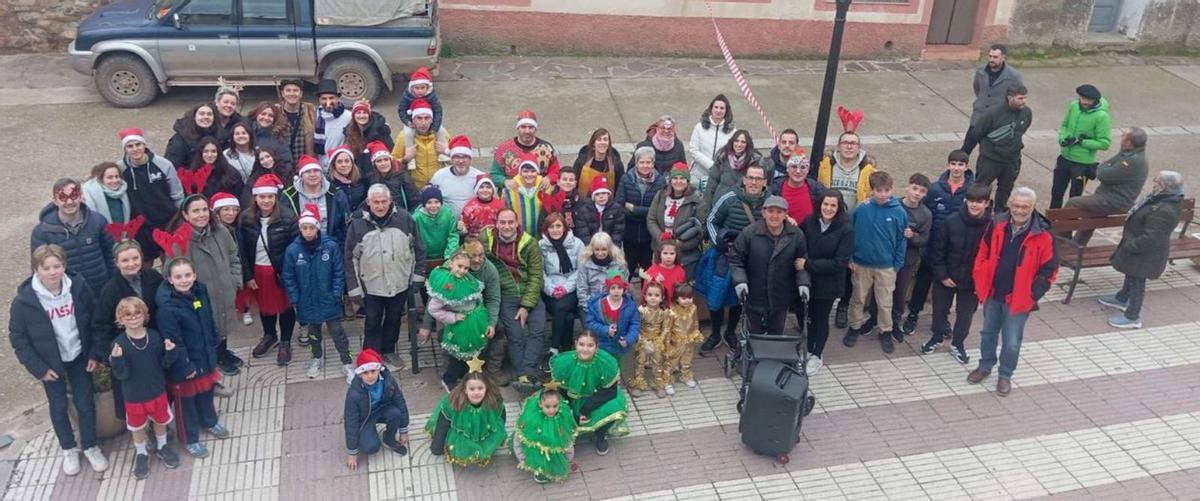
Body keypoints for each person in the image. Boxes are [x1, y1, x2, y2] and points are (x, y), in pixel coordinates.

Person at [9, 244, 109, 475]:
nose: (53, 272)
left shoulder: (79, 287)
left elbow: (94, 320)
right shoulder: (25, 301)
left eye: (58, 266)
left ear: (65, 266)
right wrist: (39, 368)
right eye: (47, 268)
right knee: (58, 406)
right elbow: (19, 338)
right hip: (50, 364)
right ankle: (68, 448)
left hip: (78, 356)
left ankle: (90, 445)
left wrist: (94, 353)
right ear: (36, 270)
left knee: (85, 403)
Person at [969, 187, 1058, 396]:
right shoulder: (997, 223)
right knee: (987, 333)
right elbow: (983, 250)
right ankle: (985, 366)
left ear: (1033, 207)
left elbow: (1050, 270)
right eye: (1016, 205)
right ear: (1010, 204)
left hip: (1018, 299)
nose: (1019, 210)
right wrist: (980, 275)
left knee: (1011, 340)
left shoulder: (1044, 234)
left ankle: (1005, 374)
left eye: (1025, 207)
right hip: (993, 292)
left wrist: (1032, 295)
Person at [156, 257, 231, 458]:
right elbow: (173, 340)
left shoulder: (200, 290)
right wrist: (185, 365)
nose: (184, 280)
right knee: (185, 403)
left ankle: (209, 421)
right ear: (170, 280)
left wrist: (214, 338)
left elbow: (208, 316)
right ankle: (189, 438)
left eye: (188, 275)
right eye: (178, 277)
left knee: (206, 391)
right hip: (185, 363)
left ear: (195, 275)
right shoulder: (167, 307)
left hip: (204, 354)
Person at [345, 184, 425, 366]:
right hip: (371, 285)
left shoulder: (405, 219)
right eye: (376, 202)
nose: (380, 206)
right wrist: (354, 289)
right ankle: (370, 356)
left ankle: (389, 350)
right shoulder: (357, 224)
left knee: (394, 318)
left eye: (384, 202)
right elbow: (350, 259)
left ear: (390, 201)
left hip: (399, 282)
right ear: (368, 202)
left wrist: (417, 278)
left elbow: (419, 250)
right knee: (372, 320)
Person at [1101, 171, 1186, 329]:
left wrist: (1130, 245)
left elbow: (1152, 238)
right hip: (1141, 251)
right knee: (1131, 273)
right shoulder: (1163, 199)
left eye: (1157, 182)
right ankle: (1121, 298)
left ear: (1164, 187)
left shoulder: (1164, 209)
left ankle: (1133, 316)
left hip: (1145, 254)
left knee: (1137, 281)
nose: (1154, 183)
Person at [108, 297, 181, 479]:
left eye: (137, 313)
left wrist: (171, 352)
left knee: (160, 420)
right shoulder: (119, 344)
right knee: (137, 427)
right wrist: (116, 359)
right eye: (128, 315)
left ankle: (162, 445)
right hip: (134, 396)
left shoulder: (154, 336)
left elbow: (163, 364)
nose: (133, 318)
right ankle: (141, 452)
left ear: (145, 315)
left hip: (157, 391)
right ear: (120, 319)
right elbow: (121, 375)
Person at [701, 164, 769, 355]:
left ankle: (730, 332)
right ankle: (715, 333)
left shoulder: (770, 201)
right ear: (745, 179)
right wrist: (719, 244)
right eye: (751, 178)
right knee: (716, 296)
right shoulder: (729, 197)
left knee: (739, 298)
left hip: (751, 259)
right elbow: (711, 220)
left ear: (765, 182)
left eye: (758, 178)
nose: (754, 182)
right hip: (725, 255)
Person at [904, 151, 975, 334]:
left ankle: (942, 320)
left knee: (946, 287)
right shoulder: (935, 189)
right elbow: (924, 214)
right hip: (932, 245)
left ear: (966, 167)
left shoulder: (972, 191)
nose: (957, 168)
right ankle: (913, 314)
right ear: (948, 165)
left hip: (955, 250)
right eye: (953, 163)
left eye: (961, 164)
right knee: (922, 281)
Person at [922, 184, 993, 364]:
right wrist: (943, 275)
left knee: (965, 315)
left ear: (987, 203)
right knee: (939, 310)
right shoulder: (951, 221)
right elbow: (938, 250)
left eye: (979, 202)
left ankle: (958, 344)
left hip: (972, 282)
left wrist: (981, 281)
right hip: (946, 277)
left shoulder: (993, 227)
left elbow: (992, 257)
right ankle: (937, 337)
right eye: (971, 201)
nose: (974, 205)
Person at [174, 195, 244, 377]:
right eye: (195, 211)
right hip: (200, 296)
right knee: (208, 325)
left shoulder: (220, 231)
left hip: (224, 289)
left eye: (204, 209)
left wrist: (235, 280)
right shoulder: (181, 239)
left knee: (223, 322)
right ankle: (216, 357)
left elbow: (234, 255)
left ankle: (223, 351)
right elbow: (174, 270)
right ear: (185, 214)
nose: (201, 215)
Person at [93, 240, 165, 416]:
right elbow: (101, 325)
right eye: (125, 260)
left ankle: (160, 420)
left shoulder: (153, 277)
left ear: (141, 258)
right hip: (128, 349)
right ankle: (142, 426)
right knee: (135, 392)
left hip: (154, 342)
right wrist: (108, 354)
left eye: (135, 258)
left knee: (158, 385)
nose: (131, 263)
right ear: (116, 263)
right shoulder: (110, 291)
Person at [418, 239, 504, 384]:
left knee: (498, 330)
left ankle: (491, 369)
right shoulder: (452, 268)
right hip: (449, 311)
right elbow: (434, 300)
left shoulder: (489, 269)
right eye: (473, 256)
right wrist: (426, 325)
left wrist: (492, 322)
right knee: (447, 336)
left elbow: (494, 298)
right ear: (464, 255)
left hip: (476, 312)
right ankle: (451, 372)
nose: (477, 260)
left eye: (481, 255)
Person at [283, 207, 354, 381]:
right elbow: (289, 276)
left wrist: (337, 293)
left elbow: (339, 271)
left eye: (311, 228)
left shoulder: (329, 247)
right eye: (304, 228)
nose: (308, 232)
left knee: (338, 332)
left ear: (317, 228)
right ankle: (316, 357)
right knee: (314, 334)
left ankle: (347, 362)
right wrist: (295, 298)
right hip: (307, 301)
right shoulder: (293, 250)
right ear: (300, 229)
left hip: (328, 299)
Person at [480, 209, 545, 393]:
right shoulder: (486, 239)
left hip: (529, 293)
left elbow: (535, 276)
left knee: (537, 331)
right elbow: (470, 255)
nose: (507, 226)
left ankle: (524, 374)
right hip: (506, 294)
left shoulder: (530, 243)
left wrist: (526, 305)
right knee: (515, 334)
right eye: (503, 222)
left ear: (517, 223)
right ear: (496, 223)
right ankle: (527, 376)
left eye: (510, 222)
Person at [843, 172, 908, 353]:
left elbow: (902, 239)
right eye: (879, 191)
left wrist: (897, 264)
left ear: (892, 189)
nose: (883, 194)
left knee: (885, 301)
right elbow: (850, 233)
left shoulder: (899, 212)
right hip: (861, 264)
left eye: (887, 190)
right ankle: (854, 326)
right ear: (872, 190)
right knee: (858, 299)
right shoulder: (861, 209)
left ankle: (885, 331)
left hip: (886, 267)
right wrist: (850, 258)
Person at [238, 175, 300, 365]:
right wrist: (248, 275)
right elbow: (242, 251)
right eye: (262, 197)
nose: (266, 201)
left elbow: (295, 249)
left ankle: (285, 342)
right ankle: (269, 335)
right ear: (255, 198)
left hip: (280, 272)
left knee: (286, 308)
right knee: (265, 307)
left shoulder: (288, 217)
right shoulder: (246, 219)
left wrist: (290, 274)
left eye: (270, 197)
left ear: (275, 197)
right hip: (258, 271)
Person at [730, 195, 811, 336]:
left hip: (781, 295)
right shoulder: (749, 233)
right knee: (754, 333)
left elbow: (802, 261)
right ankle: (753, 355)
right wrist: (740, 281)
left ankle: (773, 356)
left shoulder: (796, 235)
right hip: (754, 294)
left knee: (776, 333)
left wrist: (803, 283)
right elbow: (736, 259)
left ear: (786, 214)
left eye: (779, 212)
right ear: (763, 213)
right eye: (771, 211)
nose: (775, 216)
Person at [866, 173, 931, 345]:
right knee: (879, 291)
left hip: (907, 261)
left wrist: (913, 236)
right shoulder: (892, 204)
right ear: (907, 186)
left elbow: (924, 240)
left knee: (899, 292)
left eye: (922, 191)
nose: (917, 193)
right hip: (885, 257)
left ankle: (894, 323)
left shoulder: (925, 214)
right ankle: (873, 318)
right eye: (915, 188)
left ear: (925, 194)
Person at [1064, 128, 1150, 245]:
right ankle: (1077, 245)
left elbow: (1102, 174)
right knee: (1091, 215)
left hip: (1113, 201)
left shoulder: (1132, 160)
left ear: (1129, 143)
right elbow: (1107, 166)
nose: (1121, 140)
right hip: (1108, 198)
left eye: (1123, 137)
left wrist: (1104, 166)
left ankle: (1062, 240)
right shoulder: (1129, 154)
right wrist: (1107, 165)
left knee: (1073, 203)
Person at [549, 330, 629, 456]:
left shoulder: (606, 363)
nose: (585, 349)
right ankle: (569, 434)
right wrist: (572, 412)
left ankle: (600, 435)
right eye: (581, 344)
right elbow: (561, 391)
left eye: (590, 345)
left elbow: (610, 392)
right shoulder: (564, 363)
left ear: (597, 347)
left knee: (615, 406)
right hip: (571, 400)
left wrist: (585, 410)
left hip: (596, 399)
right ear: (575, 344)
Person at [801, 191, 854, 375]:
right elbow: (798, 240)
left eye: (833, 205)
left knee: (821, 319)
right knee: (807, 317)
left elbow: (839, 263)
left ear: (839, 208)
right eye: (825, 204)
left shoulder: (846, 229)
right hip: (808, 281)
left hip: (829, 284)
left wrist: (808, 264)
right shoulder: (809, 221)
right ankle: (807, 349)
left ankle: (816, 354)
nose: (828, 209)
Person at [32, 178, 117, 289]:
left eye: (74, 195)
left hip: (101, 289)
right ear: (55, 200)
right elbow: (38, 267)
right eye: (63, 197)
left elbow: (111, 256)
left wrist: (113, 284)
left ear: (81, 196)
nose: (69, 202)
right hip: (68, 295)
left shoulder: (98, 221)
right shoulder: (42, 232)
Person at [117, 127, 185, 264]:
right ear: (125, 149)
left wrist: (180, 218)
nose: (135, 149)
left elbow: (177, 193)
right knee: (144, 263)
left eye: (138, 144)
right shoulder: (120, 169)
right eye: (130, 146)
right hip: (140, 226)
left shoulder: (163, 164)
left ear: (144, 145)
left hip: (166, 221)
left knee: (170, 260)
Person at [425, 252, 491, 389]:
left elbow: (475, 297)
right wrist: (452, 317)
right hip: (460, 324)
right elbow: (433, 309)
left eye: (466, 268)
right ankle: (449, 379)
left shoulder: (468, 280)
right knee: (458, 354)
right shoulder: (444, 284)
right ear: (451, 264)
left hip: (474, 321)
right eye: (459, 266)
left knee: (471, 350)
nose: (462, 270)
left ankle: (466, 376)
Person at [962, 84, 1031, 210]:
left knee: (1005, 190)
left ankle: (999, 215)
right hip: (990, 160)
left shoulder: (1026, 113)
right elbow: (977, 133)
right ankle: (977, 214)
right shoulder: (992, 114)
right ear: (1010, 98)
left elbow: (1022, 130)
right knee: (980, 190)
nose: (1024, 101)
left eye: (1025, 98)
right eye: (1020, 98)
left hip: (1012, 160)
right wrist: (964, 154)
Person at [427, 365, 507, 467]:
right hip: (462, 435)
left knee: (489, 440)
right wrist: (437, 448)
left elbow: (501, 416)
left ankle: (483, 446)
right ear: (465, 389)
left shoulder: (494, 400)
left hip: (484, 431)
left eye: (480, 388)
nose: (476, 392)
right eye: (472, 389)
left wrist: (500, 435)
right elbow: (442, 425)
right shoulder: (454, 403)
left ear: (487, 388)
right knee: (462, 445)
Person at [343, 349, 409, 471]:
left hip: (382, 409)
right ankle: (368, 434)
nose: (370, 376)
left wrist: (403, 430)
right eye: (365, 372)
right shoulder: (354, 393)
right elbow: (350, 421)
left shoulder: (389, 381)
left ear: (380, 369)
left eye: (373, 371)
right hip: (365, 418)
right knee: (371, 447)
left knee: (396, 413)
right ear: (359, 374)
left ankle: (389, 438)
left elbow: (400, 402)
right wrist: (352, 452)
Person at [1051, 84, 1112, 209]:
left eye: (1089, 100)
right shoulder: (1074, 106)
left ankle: (1068, 225)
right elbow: (1065, 125)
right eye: (1082, 98)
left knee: (1075, 198)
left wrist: (1081, 142)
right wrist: (1063, 138)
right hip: (1065, 158)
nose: (1085, 102)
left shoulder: (1102, 117)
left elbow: (1104, 143)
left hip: (1082, 164)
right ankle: (1051, 222)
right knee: (1056, 192)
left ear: (1095, 100)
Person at [647, 162, 706, 279]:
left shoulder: (697, 201)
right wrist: (660, 237)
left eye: (682, 178)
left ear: (687, 181)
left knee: (680, 291)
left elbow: (700, 230)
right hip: (661, 251)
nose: (678, 181)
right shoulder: (661, 195)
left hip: (684, 256)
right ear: (670, 180)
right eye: (675, 178)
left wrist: (680, 244)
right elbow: (651, 219)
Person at [617, 146, 667, 274]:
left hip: (648, 234)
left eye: (648, 162)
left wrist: (633, 209)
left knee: (647, 269)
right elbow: (619, 204)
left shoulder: (660, 182)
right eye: (642, 162)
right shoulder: (626, 179)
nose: (645, 165)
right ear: (636, 162)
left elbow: (657, 210)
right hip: (629, 232)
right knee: (628, 267)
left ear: (653, 163)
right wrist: (646, 211)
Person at [539, 214, 584, 354]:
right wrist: (551, 289)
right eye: (551, 227)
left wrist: (566, 288)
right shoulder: (541, 245)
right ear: (546, 229)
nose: (555, 230)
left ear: (565, 227)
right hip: (550, 289)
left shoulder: (577, 243)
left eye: (558, 226)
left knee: (562, 307)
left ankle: (554, 348)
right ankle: (566, 350)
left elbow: (581, 270)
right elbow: (539, 272)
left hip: (572, 288)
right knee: (567, 316)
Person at [513, 385, 576, 483]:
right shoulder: (532, 418)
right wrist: (522, 457)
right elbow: (519, 438)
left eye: (555, 406)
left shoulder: (562, 417)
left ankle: (553, 466)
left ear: (559, 404)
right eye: (547, 406)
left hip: (554, 456)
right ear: (540, 404)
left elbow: (567, 440)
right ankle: (540, 469)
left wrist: (568, 459)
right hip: (537, 456)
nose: (551, 410)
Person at [284, 155, 351, 244]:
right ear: (301, 175)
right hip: (299, 248)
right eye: (308, 171)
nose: (313, 174)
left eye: (316, 171)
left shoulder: (336, 193)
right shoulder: (290, 196)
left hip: (332, 247)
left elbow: (345, 224)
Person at [491, 110, 561, 186]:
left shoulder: (547, 148)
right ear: (518, 128)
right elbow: (494, 174)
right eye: (523, 127)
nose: (527, 131)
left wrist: (549, 178)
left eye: (531, 127)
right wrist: (505, 181)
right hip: (512, 195)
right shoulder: (504, 149)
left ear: (535, 129)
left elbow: (556, 171)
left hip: (540, 195)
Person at [967, 44, 1024, 139]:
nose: (991, 60)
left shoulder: (1013, 76)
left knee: (988, 150)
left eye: (995, 57)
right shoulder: (981, 72)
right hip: (979, 116)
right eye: (990, 56)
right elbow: (977, 89)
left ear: (1003, 57)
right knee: (966, 146)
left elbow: (1018, 95)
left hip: (997, 120)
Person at [391, 98, 449, 189]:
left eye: (427, 118)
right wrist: (406, 159)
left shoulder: (442, 134)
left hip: (439, 186)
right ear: (413, 120)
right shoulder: (404, 137)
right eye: (419, 118)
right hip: (415, 188)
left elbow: (458, 161)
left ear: (432, 119)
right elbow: (392, 165)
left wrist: (447, 151)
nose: (423, 122)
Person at [817, 130, 877, 213]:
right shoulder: (825, 167)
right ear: (838, 146)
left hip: (856, 221)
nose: (849, 147)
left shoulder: (869, 171)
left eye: (853, 143)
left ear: (859, 147)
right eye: (845, 143)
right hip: (830, 219)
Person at [628, 282, 669, 398]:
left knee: (657, 363)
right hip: (642, 340)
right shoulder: (641, 310)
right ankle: (638, 384)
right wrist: (641, 339)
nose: (653, 298)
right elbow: (636, 325)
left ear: (662, 298)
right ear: (645, 296)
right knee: (640, 362)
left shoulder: (663, 312)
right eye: (650, 295)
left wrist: (659, 340)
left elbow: (665, 328)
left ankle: (658, 383)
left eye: (657, 295)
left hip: (657, 340)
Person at [584, 271, 639, 358]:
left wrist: (629, 339)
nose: (616, 291)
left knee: (618, 368)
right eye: (613, 288)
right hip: (602, 346)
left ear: (624, 289)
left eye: (619, 288)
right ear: (608, 289)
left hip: (621, 347)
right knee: (604, 369)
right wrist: (606, 330)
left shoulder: (630, 305)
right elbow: (590, 323)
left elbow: (634, 324)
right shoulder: (598, 305)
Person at [429, 135, 485, 216]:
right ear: (451, 159)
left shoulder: (480, 177)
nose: (461, 161)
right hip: (447, 225)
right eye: (457, 157)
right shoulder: (439, 176)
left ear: (470, 159)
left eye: (465, 157)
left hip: (474, 225)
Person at [413, 185, 460, 282]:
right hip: (425, 257)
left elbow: (453, 234)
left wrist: (449, 256)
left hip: (444, 255)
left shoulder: (447, 213)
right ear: (424, 204)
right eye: (429, 203)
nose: (433, 206)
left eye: (437, 202)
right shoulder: (416, 218)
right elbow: (414, 240)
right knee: (426, 285)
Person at [688, 94, 735, 190]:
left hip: (719, 177)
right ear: (711, 109)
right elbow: (694, 150)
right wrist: (711, 166)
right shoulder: (699, 127)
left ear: (726, 111)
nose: (718, 110)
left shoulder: (733, 132)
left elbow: (732, 154)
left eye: (722, 108)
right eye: (716, 107)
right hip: (698, 175)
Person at [576, 231, 629, 315]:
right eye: (597, 249)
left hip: (615, 302)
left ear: (609, 248)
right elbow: (582, 290)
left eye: (604, 249)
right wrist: (592, 308)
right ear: (592, 249)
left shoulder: (619, 263)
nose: (600, 253)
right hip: (591, 305)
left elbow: (625, 287)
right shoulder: (584, 263)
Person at [705, 129, 763, 201]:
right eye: (736, 141)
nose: (739, 144)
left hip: (741, 204)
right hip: (720, 202)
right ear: (732, 142)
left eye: (743, 142)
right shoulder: (722, 158)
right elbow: (711, 183)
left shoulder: (754, 162)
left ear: (747, 144)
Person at [663, 283, 703, 389]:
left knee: (687, 359)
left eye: (690, 297)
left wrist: (696, 333)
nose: (688, 300)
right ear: (677, 299)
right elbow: (667, 329)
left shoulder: (693, 308)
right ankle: (667, 380)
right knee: (672, 361)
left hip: (689, 340)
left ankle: (685, 376)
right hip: (675, 342)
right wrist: (666, 344)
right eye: (684, 298)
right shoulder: (672, 312)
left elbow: (695, 322)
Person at [364, 140, 420, 212]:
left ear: (390, 161)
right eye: (379, 161)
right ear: (374, 164)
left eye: (386, 159)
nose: (383, 163)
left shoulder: (402, 176)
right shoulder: (371, 180)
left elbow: (415, 201)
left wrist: (408, 218)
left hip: (401, 217)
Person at [769, 155, 825, 227]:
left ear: (807, 171)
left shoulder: (817, 189)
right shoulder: (775, 188)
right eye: (794, 167)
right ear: (787, 169)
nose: (798, 171)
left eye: (802, 167)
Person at [503, 155, 550, 237]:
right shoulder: (509, 190)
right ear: (520, 172)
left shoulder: (545, 188)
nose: (529, 174)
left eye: (533, 171)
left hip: (541, 237)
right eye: (525, 171)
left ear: (537, 172)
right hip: (518, 237)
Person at [164, 103, 222, 168]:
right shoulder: (180, 139)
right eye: (202, 114)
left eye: (209, 114)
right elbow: (172, 166)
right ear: (194, 117)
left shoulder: (218, 135)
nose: (206, 117)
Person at [573, 128, 625, 200]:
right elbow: (573, 183)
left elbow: (621, 188)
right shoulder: (581, 161)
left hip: (608, 206)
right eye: (599, 139)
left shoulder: (616, 164)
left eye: (605, 139)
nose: (602, 142)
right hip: (583, 205)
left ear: (609, 144)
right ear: (593, 143)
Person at [344, 100, 394, 175]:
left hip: (379, 171)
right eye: (358, 113)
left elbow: (390, 150)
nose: (361, 116)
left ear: (369, 115)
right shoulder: (350, 132)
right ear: (354, 116)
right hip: (360, 172)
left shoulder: (380, 130)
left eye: (365, 113)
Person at [573, 177, 625, 245]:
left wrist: (612, 247)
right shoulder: (583, 210)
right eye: (597, 194)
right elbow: (583, 233)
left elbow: (618, 231)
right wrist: (591, 248)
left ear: (608, 195)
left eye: (604, 193)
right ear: (593, 197)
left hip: (610, 245)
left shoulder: (617, 209)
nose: (601, 196)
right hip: (591, 245)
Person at [277, 79, 316, 161]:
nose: (292, 93)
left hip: (303, 163)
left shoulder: (310, 111)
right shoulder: (276, 112)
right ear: (282, 93)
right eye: (288, 90)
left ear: (301, 94)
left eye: (295, 90)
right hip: (283, 165)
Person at [248, 101, 295, 168]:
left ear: (274, 119)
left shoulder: (279, 138)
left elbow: (287, 162)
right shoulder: (246, 130)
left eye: (270, 116)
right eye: (263, 114)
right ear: (256, 114)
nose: (266, 118)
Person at [314, 79, 352, 164]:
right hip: (320, 165)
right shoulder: (314, 115)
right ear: (319, 100)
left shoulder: (348, 116)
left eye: (331, 98)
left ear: (338, 98)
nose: (328, 102)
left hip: (340, 164)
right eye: (324, 99)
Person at [396, 66, 443, 132]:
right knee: (408, 134)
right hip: (413, 122)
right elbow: (401, 110)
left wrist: (435, 126)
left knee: (441, 131)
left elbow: (438, 111)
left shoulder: (432, 96)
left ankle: (443, 142)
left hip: (430, 122)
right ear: (412, 88)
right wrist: (408, 122)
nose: (420, 91)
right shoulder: (407, 96)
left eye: (422, 88)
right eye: (417, 88)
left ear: (427, 87)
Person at [462, 175, 505, 240]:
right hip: (474, 240)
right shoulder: (469, 207)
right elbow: (464, 227)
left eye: (488, 187)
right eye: (481, 187)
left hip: (496, 240)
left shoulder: (500, 205)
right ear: (477, 190)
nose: (485, 190)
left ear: (493, 190)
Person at [328, 145, 367, 213]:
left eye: (347, 161)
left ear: (352, 163)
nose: (344, 165)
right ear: (334, 165)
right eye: (339, 162)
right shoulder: (329, 184)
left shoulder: (362, 179)